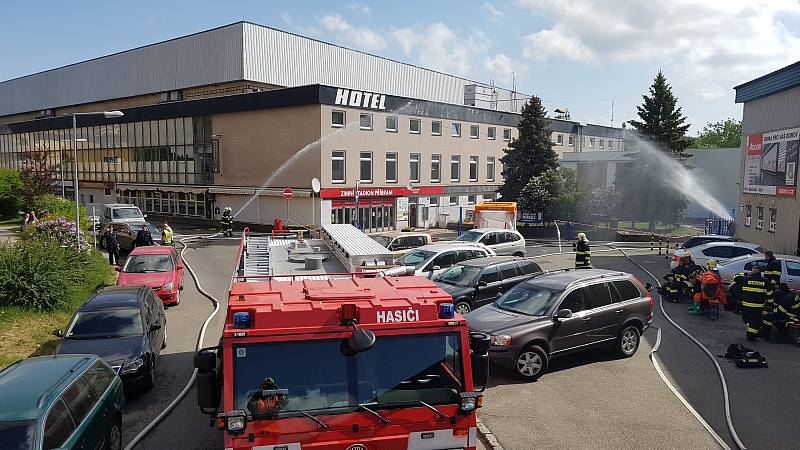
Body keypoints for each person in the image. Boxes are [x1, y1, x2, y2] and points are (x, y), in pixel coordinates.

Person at [739, 266, 772, 341]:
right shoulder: (766, 281)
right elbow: (770, 294)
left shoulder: (746, 279)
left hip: (746, 305)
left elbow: (735, 277)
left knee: (747, 319)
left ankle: (751, 332)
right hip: (758, 307)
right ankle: (752, 336)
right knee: (755, 322)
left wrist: (747, 273)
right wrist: (770, 305)